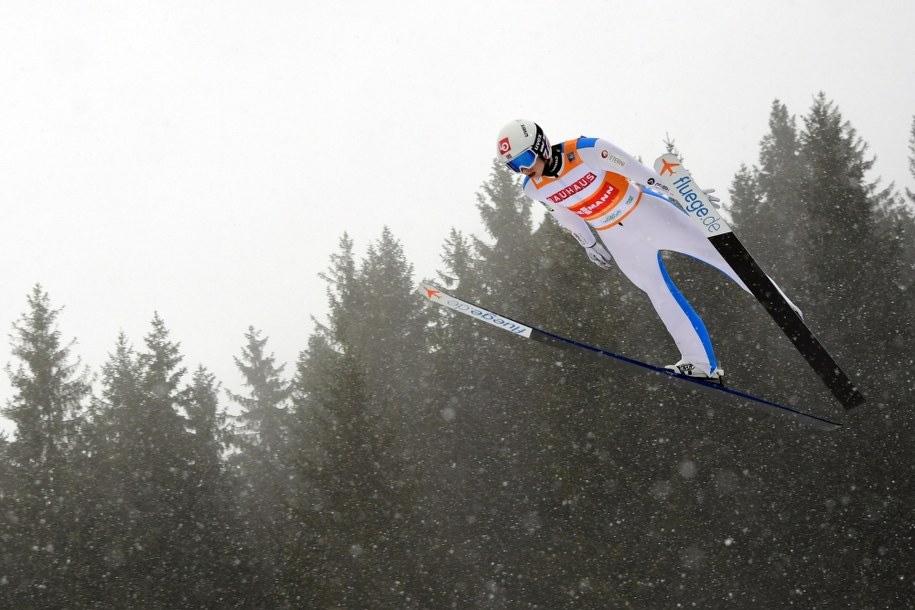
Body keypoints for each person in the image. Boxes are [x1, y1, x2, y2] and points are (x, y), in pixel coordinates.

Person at [495, 119, 798, 381]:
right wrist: (588, 243)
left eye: (525, 159)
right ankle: (700, 363)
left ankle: (783, 307)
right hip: (616, 236)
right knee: (657, 292)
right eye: (514, 166)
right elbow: (565, 215)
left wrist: (684, 194)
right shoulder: (533, 188)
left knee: (720, 256)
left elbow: (641, 173)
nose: (524, 169)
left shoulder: (587, 150)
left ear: (541, 145)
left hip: (648, 212)